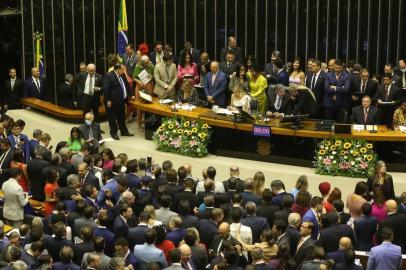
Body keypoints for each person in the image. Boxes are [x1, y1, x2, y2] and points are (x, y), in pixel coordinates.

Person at [103, 63, 135, 140]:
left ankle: (124, 132)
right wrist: (108, 100)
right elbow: (106, 89)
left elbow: (126, 85)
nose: (124, 71)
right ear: (118, 69)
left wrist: (132, 94)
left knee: (121, 117)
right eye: (122, 69)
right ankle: (113, 133)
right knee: (112, 119)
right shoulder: (108, 76)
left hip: (121, 100)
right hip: (112, 102)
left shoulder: (122, 75)